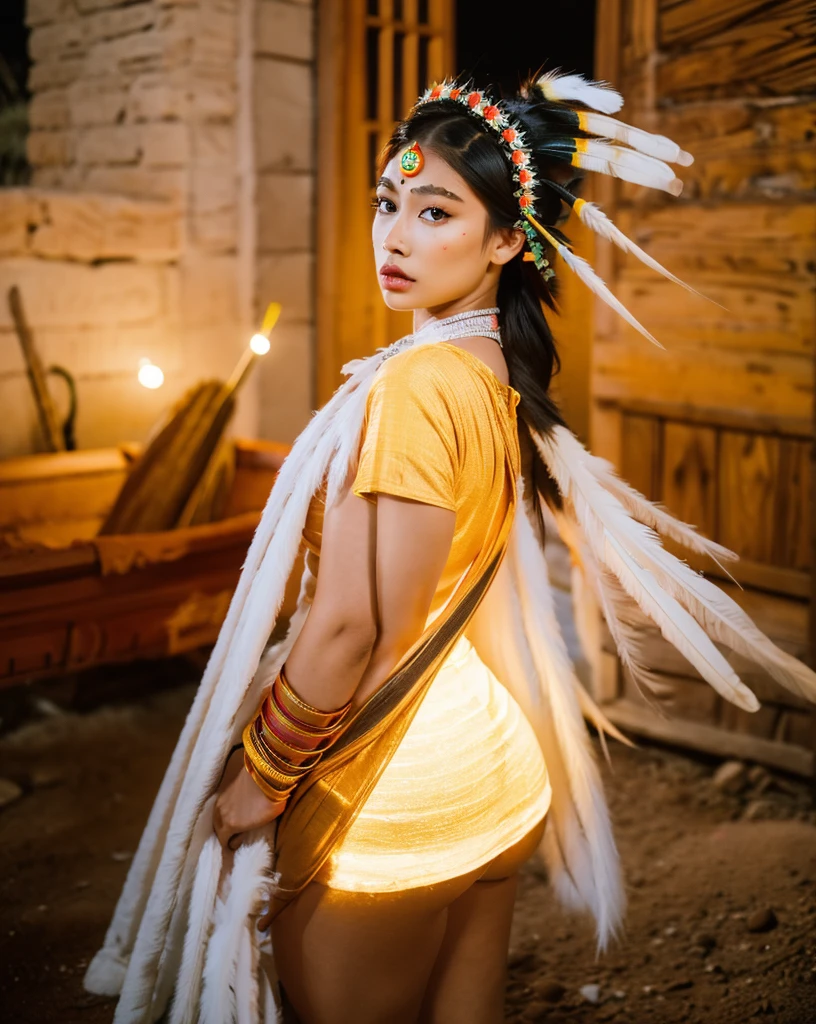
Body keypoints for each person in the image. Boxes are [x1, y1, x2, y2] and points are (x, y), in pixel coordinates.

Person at [84, 72, 816, 1024]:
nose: (395, 235)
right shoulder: (487, 373)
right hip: (493, 762)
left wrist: (257, 780)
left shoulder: (415, 388)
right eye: (390, 204)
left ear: (509, 240)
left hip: (399, 789)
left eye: (436, 212)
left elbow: (354, 626)